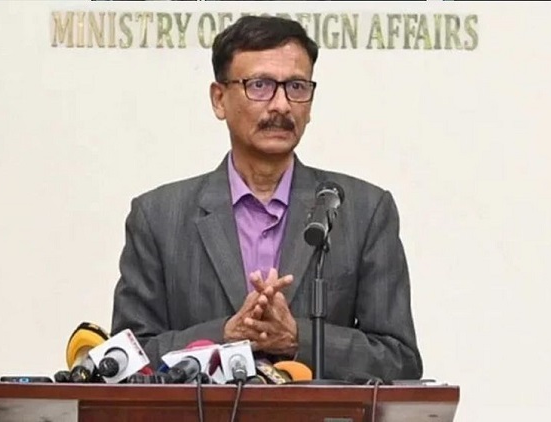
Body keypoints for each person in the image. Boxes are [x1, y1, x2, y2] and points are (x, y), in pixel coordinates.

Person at [111, 15, 422, 382]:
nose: (281, 105)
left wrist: (298, 338)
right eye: (259, 86)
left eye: (296, 87)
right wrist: (225, 335)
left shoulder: (363, 211)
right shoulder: (159, 217)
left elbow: (399, 359)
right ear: (219, 99)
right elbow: (126, 361)